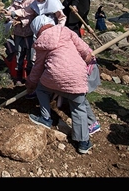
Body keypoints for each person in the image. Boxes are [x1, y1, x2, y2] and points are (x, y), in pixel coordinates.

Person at [25, 14, 97, 154]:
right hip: (77, 76)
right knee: (78, 108)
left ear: (37, 29)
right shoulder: (66, 31)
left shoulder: (40, 42)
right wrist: (87, 57)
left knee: (41, 90)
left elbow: (38, 67)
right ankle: (83, 143)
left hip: (54, 76)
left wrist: (31, 83)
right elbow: (84, 50)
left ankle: (46, 118)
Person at [4, 0, 36, 85]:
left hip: (29, 32)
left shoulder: (32, 1)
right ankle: (18, 77)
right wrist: (7, 16)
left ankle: (30, 77)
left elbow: (31, 15)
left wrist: (22, 21)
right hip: (18, 32)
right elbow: (11, 11)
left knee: (31, 55)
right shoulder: (15, 2)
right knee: (19, 54)